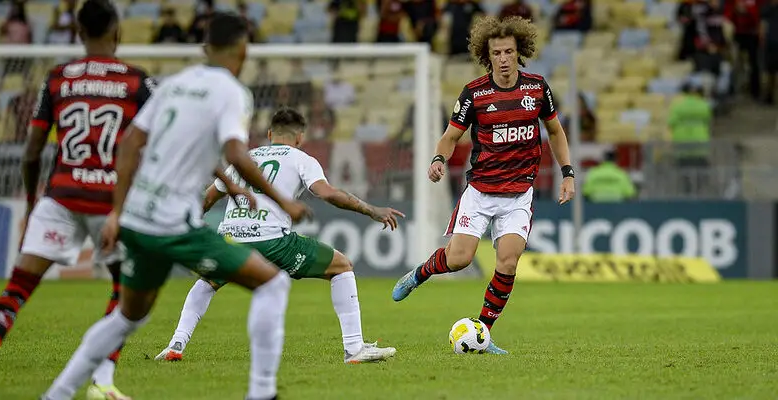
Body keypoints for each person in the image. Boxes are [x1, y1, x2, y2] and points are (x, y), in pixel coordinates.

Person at [41, 12, 311, 400]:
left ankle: (57, 394)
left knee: (127, 317)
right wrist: (284, 199)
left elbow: (131, 143)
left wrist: (117, 212)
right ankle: (262, 393)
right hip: (174, 226)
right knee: (273, 282)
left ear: (205, 47)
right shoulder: (233, 92)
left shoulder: (173, 85)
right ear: (243, 49)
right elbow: (236, 151)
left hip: (136, 218)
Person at [0, 1, 156, 399]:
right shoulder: (136, 82)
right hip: (111, 203)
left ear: (78, 34)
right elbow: (155, 144)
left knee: (18, 286)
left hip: (59, 196)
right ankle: (104, 381)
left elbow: (31, 152)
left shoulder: (57, 79)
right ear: (118, 33)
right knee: (125, 293)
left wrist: (31, 200)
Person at [154, 108, 402, 364]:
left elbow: (207, 199)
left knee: (207, 282)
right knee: (342, 266)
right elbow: (327, 193)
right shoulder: (300, 158)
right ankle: (354, 348)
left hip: (230, 238)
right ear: (300, 137)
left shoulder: (245, 158)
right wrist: (371, 210)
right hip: (273, 241)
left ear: (270, 134)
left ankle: (176, 344)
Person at [391, 15, 576, 354]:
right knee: (460, 260)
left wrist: (567, 173)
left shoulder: (537, 89)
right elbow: (450, 136)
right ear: (486, 55)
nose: (503, 59)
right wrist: (438, 159)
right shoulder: (475, 94)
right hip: (480, 192)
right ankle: (420, 273)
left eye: (509, 51)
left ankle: (483, 332)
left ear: (519, 52)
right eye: (496, 53)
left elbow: (555, 132)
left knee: (507, 261)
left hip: (519, 194)